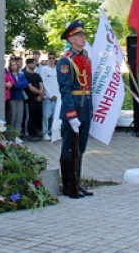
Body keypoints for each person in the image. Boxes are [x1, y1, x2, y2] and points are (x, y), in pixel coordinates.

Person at [58, 20, 93, 199]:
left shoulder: (84, 57)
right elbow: (65, 91)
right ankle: (68, 185)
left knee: (80, 148)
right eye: (79, 35)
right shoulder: (66, 61)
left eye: (83, 34)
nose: (83, 37)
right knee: (68, 149)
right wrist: (71, 115)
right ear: (71, 39)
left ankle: (77, 182)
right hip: (73, 109)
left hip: (85, 106)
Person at [23, 58, 44, 140]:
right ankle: (29, 133)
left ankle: (35, 132)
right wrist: (39, 93)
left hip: (38, 99)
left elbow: (41, 85)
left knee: (37, 116)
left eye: (35, 63)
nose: (34, 64)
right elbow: (30, 87)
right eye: (32, 63)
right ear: (27, 64)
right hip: (30, 99)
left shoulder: (37, 75)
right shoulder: (25, 75)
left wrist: (40, 94)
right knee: (30, 117)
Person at [6, 57, 28, 134]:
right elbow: (12, 85)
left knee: (19, 116)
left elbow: (26, 83)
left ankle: (17, 133)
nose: (14, 66)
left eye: (15, 65)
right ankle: (11, 133)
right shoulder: (9, 75)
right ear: (10, 66)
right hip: (12, 97)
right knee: (12, 116)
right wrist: (18, 85)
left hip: (20, 97)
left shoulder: (21, 74)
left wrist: (17, 85)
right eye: (12, 65)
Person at [40, 53, 59, 139]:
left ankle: (53, 132)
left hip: (57, 97)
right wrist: (50, 94)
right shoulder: (44, 69)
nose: (51, 59)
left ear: (55, 59)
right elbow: (44, 83)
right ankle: (45, 133)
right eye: (49, 58)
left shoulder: (58, 70)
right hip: (48, 97)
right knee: (46, 115)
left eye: (53, 58)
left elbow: (60, 84)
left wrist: (57, 95)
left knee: (55, 116)